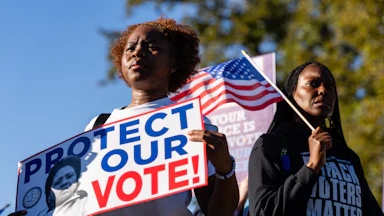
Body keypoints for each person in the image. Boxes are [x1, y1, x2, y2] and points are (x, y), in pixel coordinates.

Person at [11, 17, 239, 216]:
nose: (137, 52)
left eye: (150, 47)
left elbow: (219, 212)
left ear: (173, 63)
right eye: (130, 48)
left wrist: (224, 169)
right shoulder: (98, 125)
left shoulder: (192, 124)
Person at [247, 61, 383, 215]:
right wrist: (311, 167)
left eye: (330, 87)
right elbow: (262, 212)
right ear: (292, 93)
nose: (323, 90)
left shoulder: (348, 156)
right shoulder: (271, 145)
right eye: (313, 83)